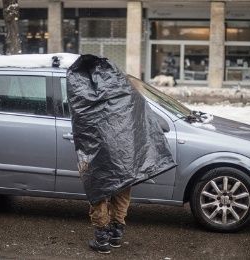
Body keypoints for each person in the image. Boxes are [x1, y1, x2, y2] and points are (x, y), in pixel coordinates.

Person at [67, 54, 176, 254]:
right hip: (124, 155)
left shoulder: (80, 92)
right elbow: (140, 117)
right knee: (122, 192)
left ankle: (102, 239)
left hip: (98, 154)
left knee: (98, 193)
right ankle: (116, 234)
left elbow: (82, 124)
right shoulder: (124, 89)